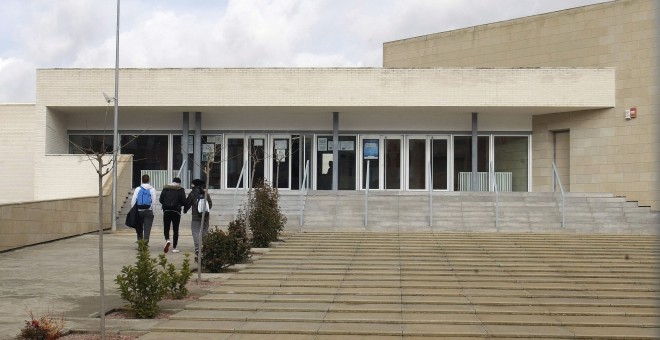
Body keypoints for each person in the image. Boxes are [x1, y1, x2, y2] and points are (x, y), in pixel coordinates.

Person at [183, 178, 213, 259]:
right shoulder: (206, 193)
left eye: (192, 184)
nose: (191, 185)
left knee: (195, 231)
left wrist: (185, 210)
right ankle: (206, 247)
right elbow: (210, 204)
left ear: (195, 185)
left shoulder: (193, 193)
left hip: (196, 216)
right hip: (205, 215)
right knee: (205, 230)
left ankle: (197, 248)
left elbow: (188, 203)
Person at [159, 177, 187, 253]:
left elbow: (161, 200)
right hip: (176, 211)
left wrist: (166, 204)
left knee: (166, 227)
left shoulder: (166, 188)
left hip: (167, 210)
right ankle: (174, 247)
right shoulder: (180, 189)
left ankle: (167, 240)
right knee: (175, 229)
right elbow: (184, 201)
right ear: (179, 183)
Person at [130, 174, 157, 244]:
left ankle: (140, 243)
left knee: (139, 228)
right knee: (147, 229)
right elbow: (154, 202)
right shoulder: (152, 189)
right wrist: (153, 212)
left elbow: (133, 200)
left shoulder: (138, 189)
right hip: (149, 211)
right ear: (149, 180)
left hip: (139, 211)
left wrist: (133, 211)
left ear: (142, 180)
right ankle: (145, 243)